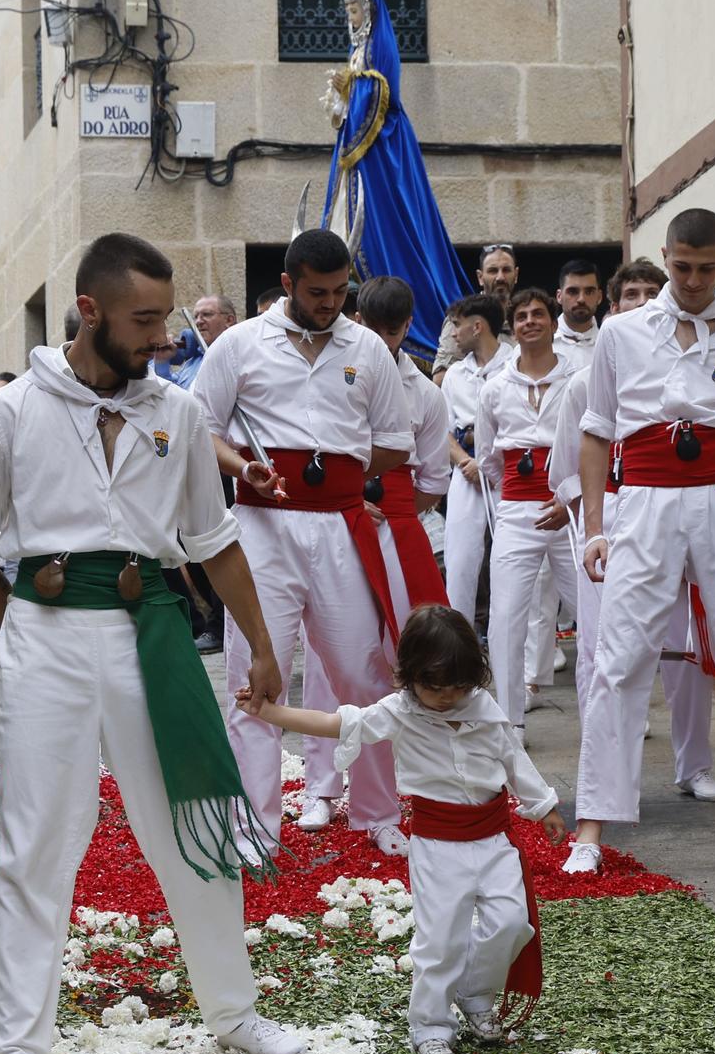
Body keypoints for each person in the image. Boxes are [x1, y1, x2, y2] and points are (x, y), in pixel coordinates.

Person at [0, 231, 305, 1054]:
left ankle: (235, 1014)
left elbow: (213, 543)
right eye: (143, 321)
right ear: (90, 310)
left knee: (198, 823)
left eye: (165, 319)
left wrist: (260, 645)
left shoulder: (177, 414)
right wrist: (25, 622)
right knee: (32, 849)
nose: (162, 338)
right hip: (47, 635)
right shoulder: (9, 413)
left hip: (155, 635)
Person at [569, 208, 715, 874]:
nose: (694, 279)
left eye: (707, 268)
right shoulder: (619, 334)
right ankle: (590, 825)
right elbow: (596, 431)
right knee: (620, 657)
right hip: (640, 503)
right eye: (682, 267)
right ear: (665, 257)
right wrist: (595, 527)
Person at [240, 605, 561, 1054]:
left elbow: (513, 758)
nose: (448, 697)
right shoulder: (399, 711)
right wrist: (270, 713)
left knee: (511, 922)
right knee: (441, 937)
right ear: (410, 677)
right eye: (435, 687)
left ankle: (475, 993)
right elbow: (335, 724)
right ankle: (430, 1023)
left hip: (492, 839)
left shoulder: (482, 706)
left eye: (459, 686)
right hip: (437, 844)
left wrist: (543, 804)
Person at [193, 229, 413, 857]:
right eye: (318, 292)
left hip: (341, 523)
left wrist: (345, 473)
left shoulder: (367, 347)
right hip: (262, 526)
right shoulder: (237, 345)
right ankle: (254, 831)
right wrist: (243, 468)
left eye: (342, 291)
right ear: (287, 284)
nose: (332, 303)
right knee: (251, 676)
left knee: (362, 672)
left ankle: (377, 812)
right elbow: (199, 430)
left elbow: (395, 441)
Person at [549, 260, 715, 801]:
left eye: (652, 292)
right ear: (613, 305)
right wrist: (598, 526)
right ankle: (607, 776)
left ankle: (693, 764)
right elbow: (569, 471)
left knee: (685, 642)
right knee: (605, 651)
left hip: (681, 517)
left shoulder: (697, 372)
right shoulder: (585, 382)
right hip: (613, 522)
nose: (642, 302)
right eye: (631, 294)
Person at [295, 276, 452, 831]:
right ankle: (320, 786)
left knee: (403, 653)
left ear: (408, 326)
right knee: (325, 656)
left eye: (393, 329)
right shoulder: (337, 372)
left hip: (398, 530)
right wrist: (354, 498)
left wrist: (395, 504)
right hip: (341, 524)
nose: (382, 339)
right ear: (357, 317)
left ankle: (402, 783)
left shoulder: (428, 393)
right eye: (371, 326)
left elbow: (434, 476)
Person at [478, 288, 580, 731]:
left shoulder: (581, 378)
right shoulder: (495, 387)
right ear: (512, 326)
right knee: (505, 616)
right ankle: (509, 721)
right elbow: (487, 458)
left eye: (539, 313)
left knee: (593, 610)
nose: (531, 321)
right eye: (521, 316)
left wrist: (568, 496)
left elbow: (596, 444)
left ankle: (606, 714)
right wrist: (517, 498)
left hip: (572, 509)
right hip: (517, 508)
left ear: (553, 322)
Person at [439, 294, 512, 616]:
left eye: (457, 325)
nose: (454, 334)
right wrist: (465, 461)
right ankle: (460, 645)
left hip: (507, 471)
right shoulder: (454, 375)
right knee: (460, 560)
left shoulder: (515, 364)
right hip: (466, 471)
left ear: (477, 326)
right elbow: (441, 429)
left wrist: (488, 462)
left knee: (512, 557)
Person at [553, 260, 604, 363]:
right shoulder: (540, 344)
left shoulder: (610, 345)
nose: (581, 299)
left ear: (599, 297)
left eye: (589, 292)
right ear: (559, 296)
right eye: (573, 292)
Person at [476, 244, 520, 309]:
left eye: (506, 270)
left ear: (516, 275)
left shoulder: (523, 315)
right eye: (493, 271)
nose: (500, 278)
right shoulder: (467, 315)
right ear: (480, 277)